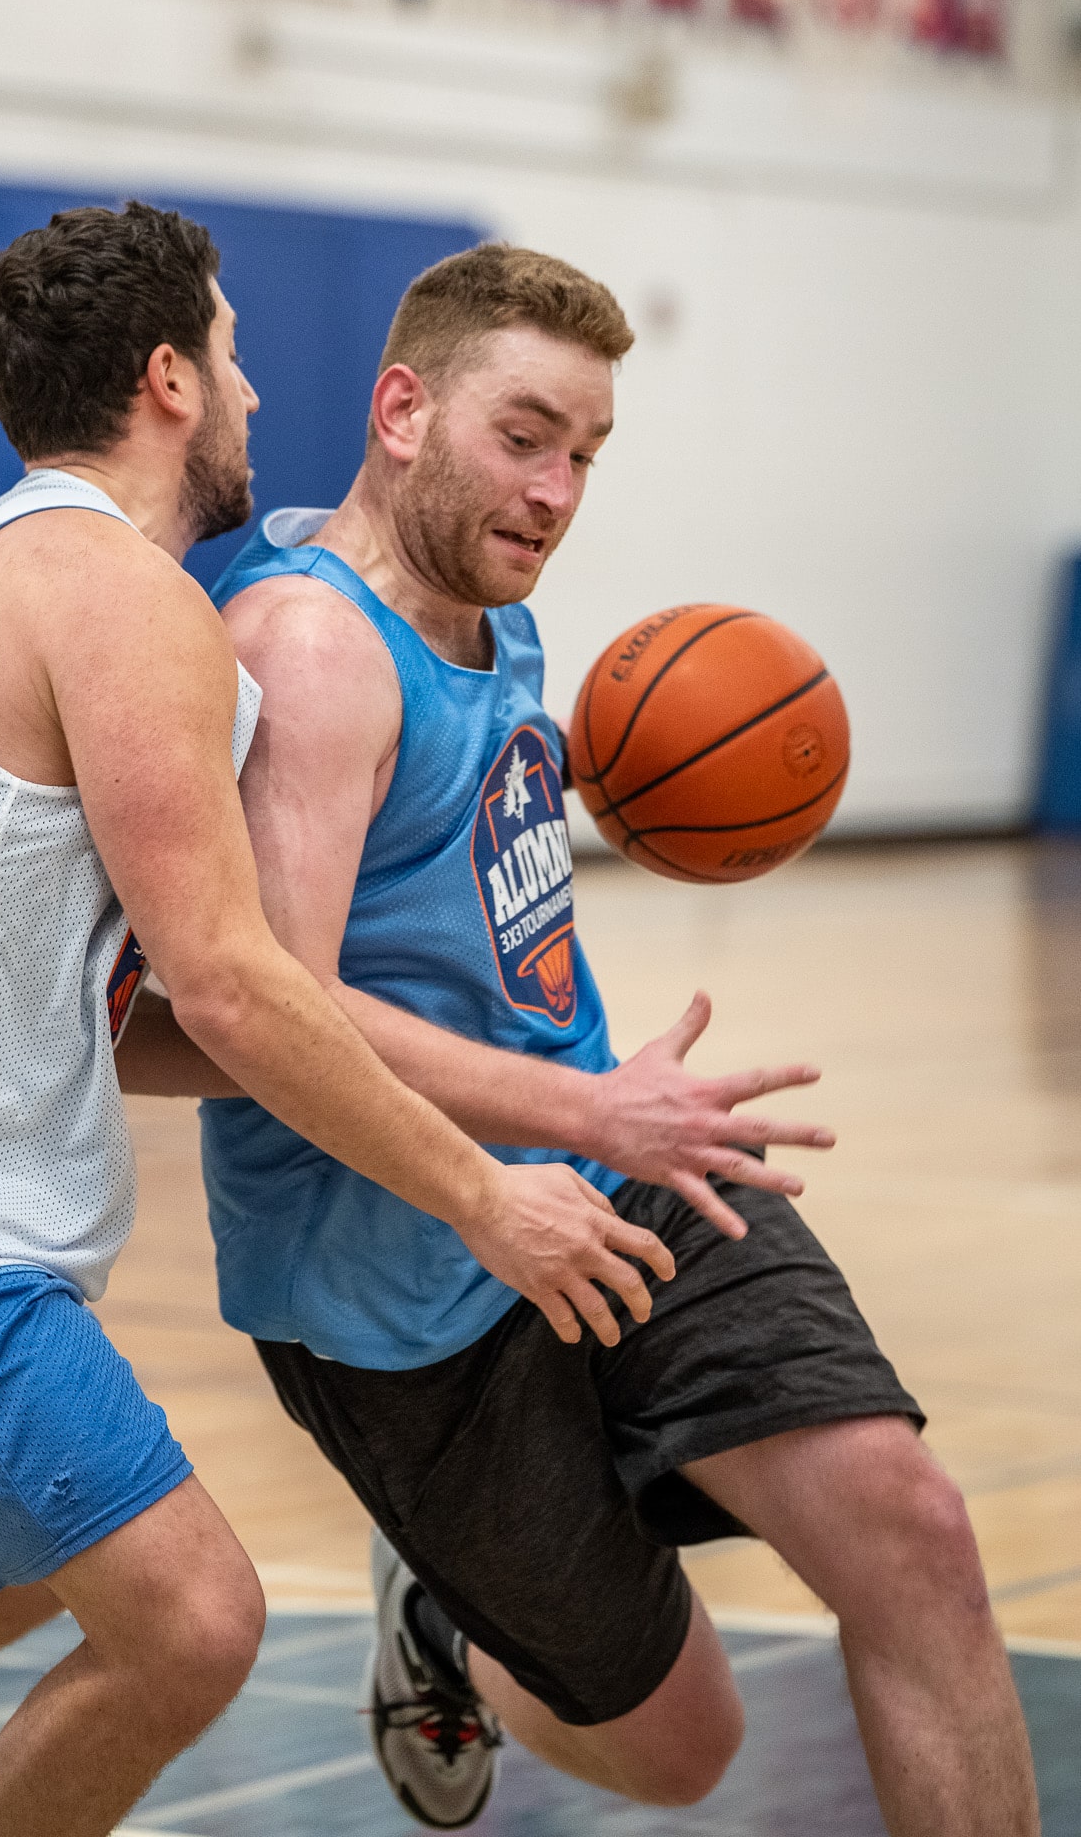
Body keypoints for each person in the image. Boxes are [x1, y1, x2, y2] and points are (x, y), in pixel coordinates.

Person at [0, 208, 672, 1837]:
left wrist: (361, 1075)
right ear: (171, 379)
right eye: (234, 357)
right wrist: (483, 1191)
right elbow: (238, 986)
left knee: (3, 1563)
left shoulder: (20, 559)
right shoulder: (123, 599)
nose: (254, 395)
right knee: (191, 1623)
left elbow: (153, 1019)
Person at [191, 244, 1035, 1834]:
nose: (557, 490)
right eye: (525, 438)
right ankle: (446, 1626)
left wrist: (598, 1104)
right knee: (684, 1749)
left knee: (913, 1534)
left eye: (586, 453)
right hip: (398, 1290)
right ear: (402, 412)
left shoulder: (493, 612)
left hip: (614, 1156)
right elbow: (272, 1009)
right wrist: (582, 1119)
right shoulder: (309, 648)